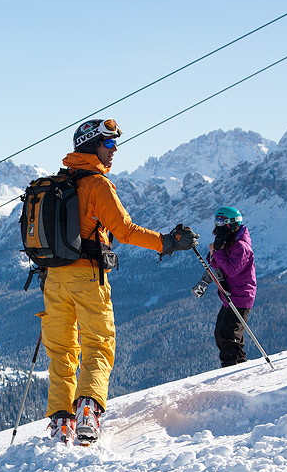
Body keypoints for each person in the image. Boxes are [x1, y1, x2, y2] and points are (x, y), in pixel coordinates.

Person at [42, 118, 198, 446]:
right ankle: (87, 412)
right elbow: (124, 230)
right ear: (91, 146)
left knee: (61, 351)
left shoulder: (58, 181)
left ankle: (61, 424)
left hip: (53, 278)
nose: (114, 151)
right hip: (87, 275)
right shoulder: (96, 184)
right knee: (98, 343)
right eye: (109, 144)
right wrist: (167, 242)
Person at [198, 206, 256, 367]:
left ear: (231, 223)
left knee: (228, 335)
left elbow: (231, 270)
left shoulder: (241, 247)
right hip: (230, 296)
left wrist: (218, 252)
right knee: (221, 333)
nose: (218, 225)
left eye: (221, 221)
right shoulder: (229, 242)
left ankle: (234, 367)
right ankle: (237, 365)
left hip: (240, 296)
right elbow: (217, 266)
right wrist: (214, 253)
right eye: (216, 221)